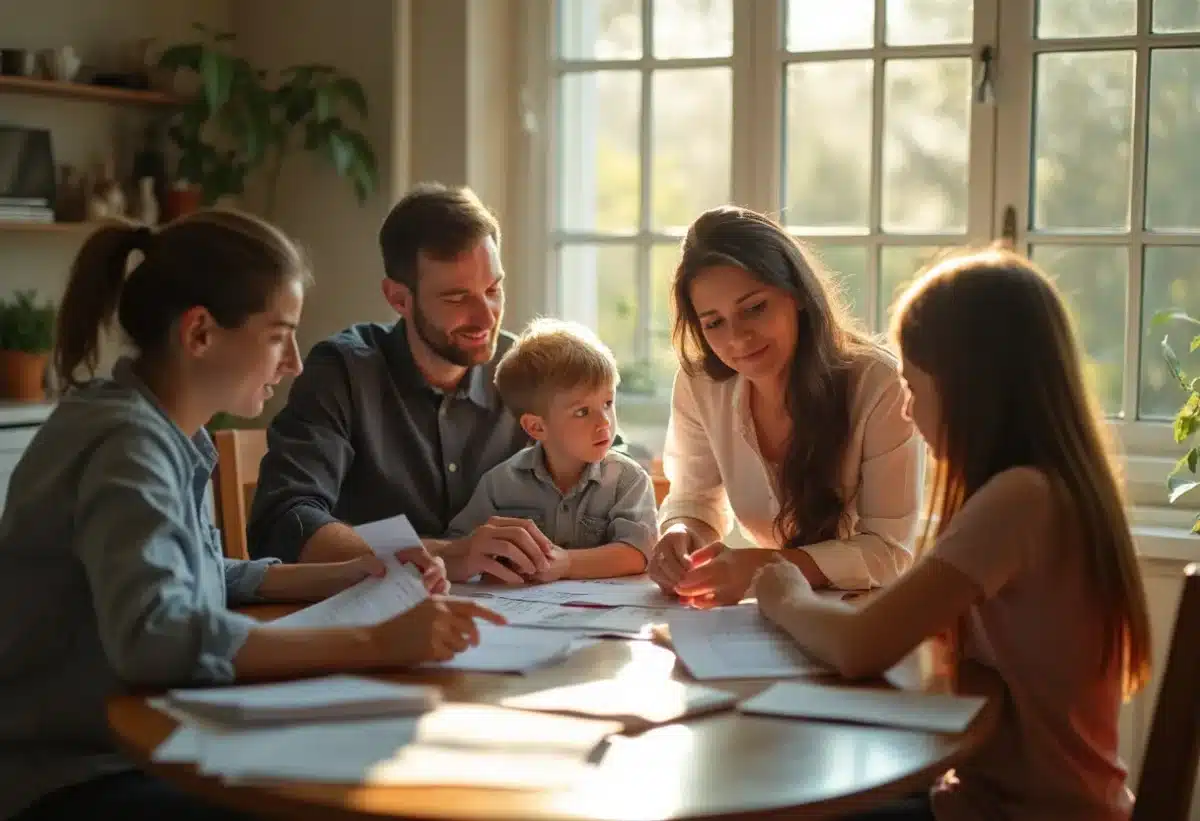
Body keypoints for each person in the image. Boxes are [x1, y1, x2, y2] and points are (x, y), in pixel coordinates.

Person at [0, 212, 504, 821]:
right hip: (79, 774)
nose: (293, 361)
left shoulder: (162, 430)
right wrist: (373, 641)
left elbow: (202, 571)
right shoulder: (128, 447)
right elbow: (159, 636)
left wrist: (350, 571)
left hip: (156, 740)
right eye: (277, 335)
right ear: (200, 334)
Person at [752, 247, 1152, 820]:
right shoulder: (1052, 489)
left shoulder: (1019, 500)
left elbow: (860, 647)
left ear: (969, 387)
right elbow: (926, 650)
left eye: (914, 386)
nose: (909, 412)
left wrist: (785, 595)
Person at [249, 183, 575, 584]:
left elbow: (611, 475)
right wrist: (446, 554)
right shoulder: (343, 371)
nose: (486, 316)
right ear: (399, 299)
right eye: (457, 298)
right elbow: (284, 522)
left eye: (493, 290)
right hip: (374, 622)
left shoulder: (531, 368)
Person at [647, 206, 922, 606]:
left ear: (797, 296)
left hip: (863, 611)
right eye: (714, 323)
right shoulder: (701, 383)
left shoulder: (878, 383)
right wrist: (679, 533)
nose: (738, 338)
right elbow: (695, 499)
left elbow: (888, 553)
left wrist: (763, 568)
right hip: (772, 611)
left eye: (754, 308)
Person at [445, 318, 657, 581]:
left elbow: (639, 552)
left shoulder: (628, 480)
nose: (604, 421)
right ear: (536, 427)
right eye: (582, 411)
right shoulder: (500, 484)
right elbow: (461, 547)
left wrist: (567, 564)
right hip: (520, 613)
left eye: (608, 402)